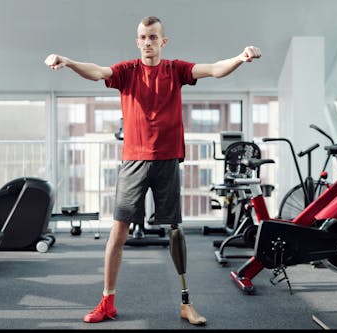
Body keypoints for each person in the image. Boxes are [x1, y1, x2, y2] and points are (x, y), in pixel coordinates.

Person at [44, 15, 261, 325]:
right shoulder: (126, 71)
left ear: (163, 41)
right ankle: (107, 302)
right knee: (118, 232)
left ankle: (186, 303)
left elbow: (214, 69)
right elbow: (97, 72)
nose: (148, 42)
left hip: (168, 160)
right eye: (143, 37)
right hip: (133, 160)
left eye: (153, 37)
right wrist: (66, 61)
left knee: (175, 229)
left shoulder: (176, 69)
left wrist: (241, 57)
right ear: (138, 41)